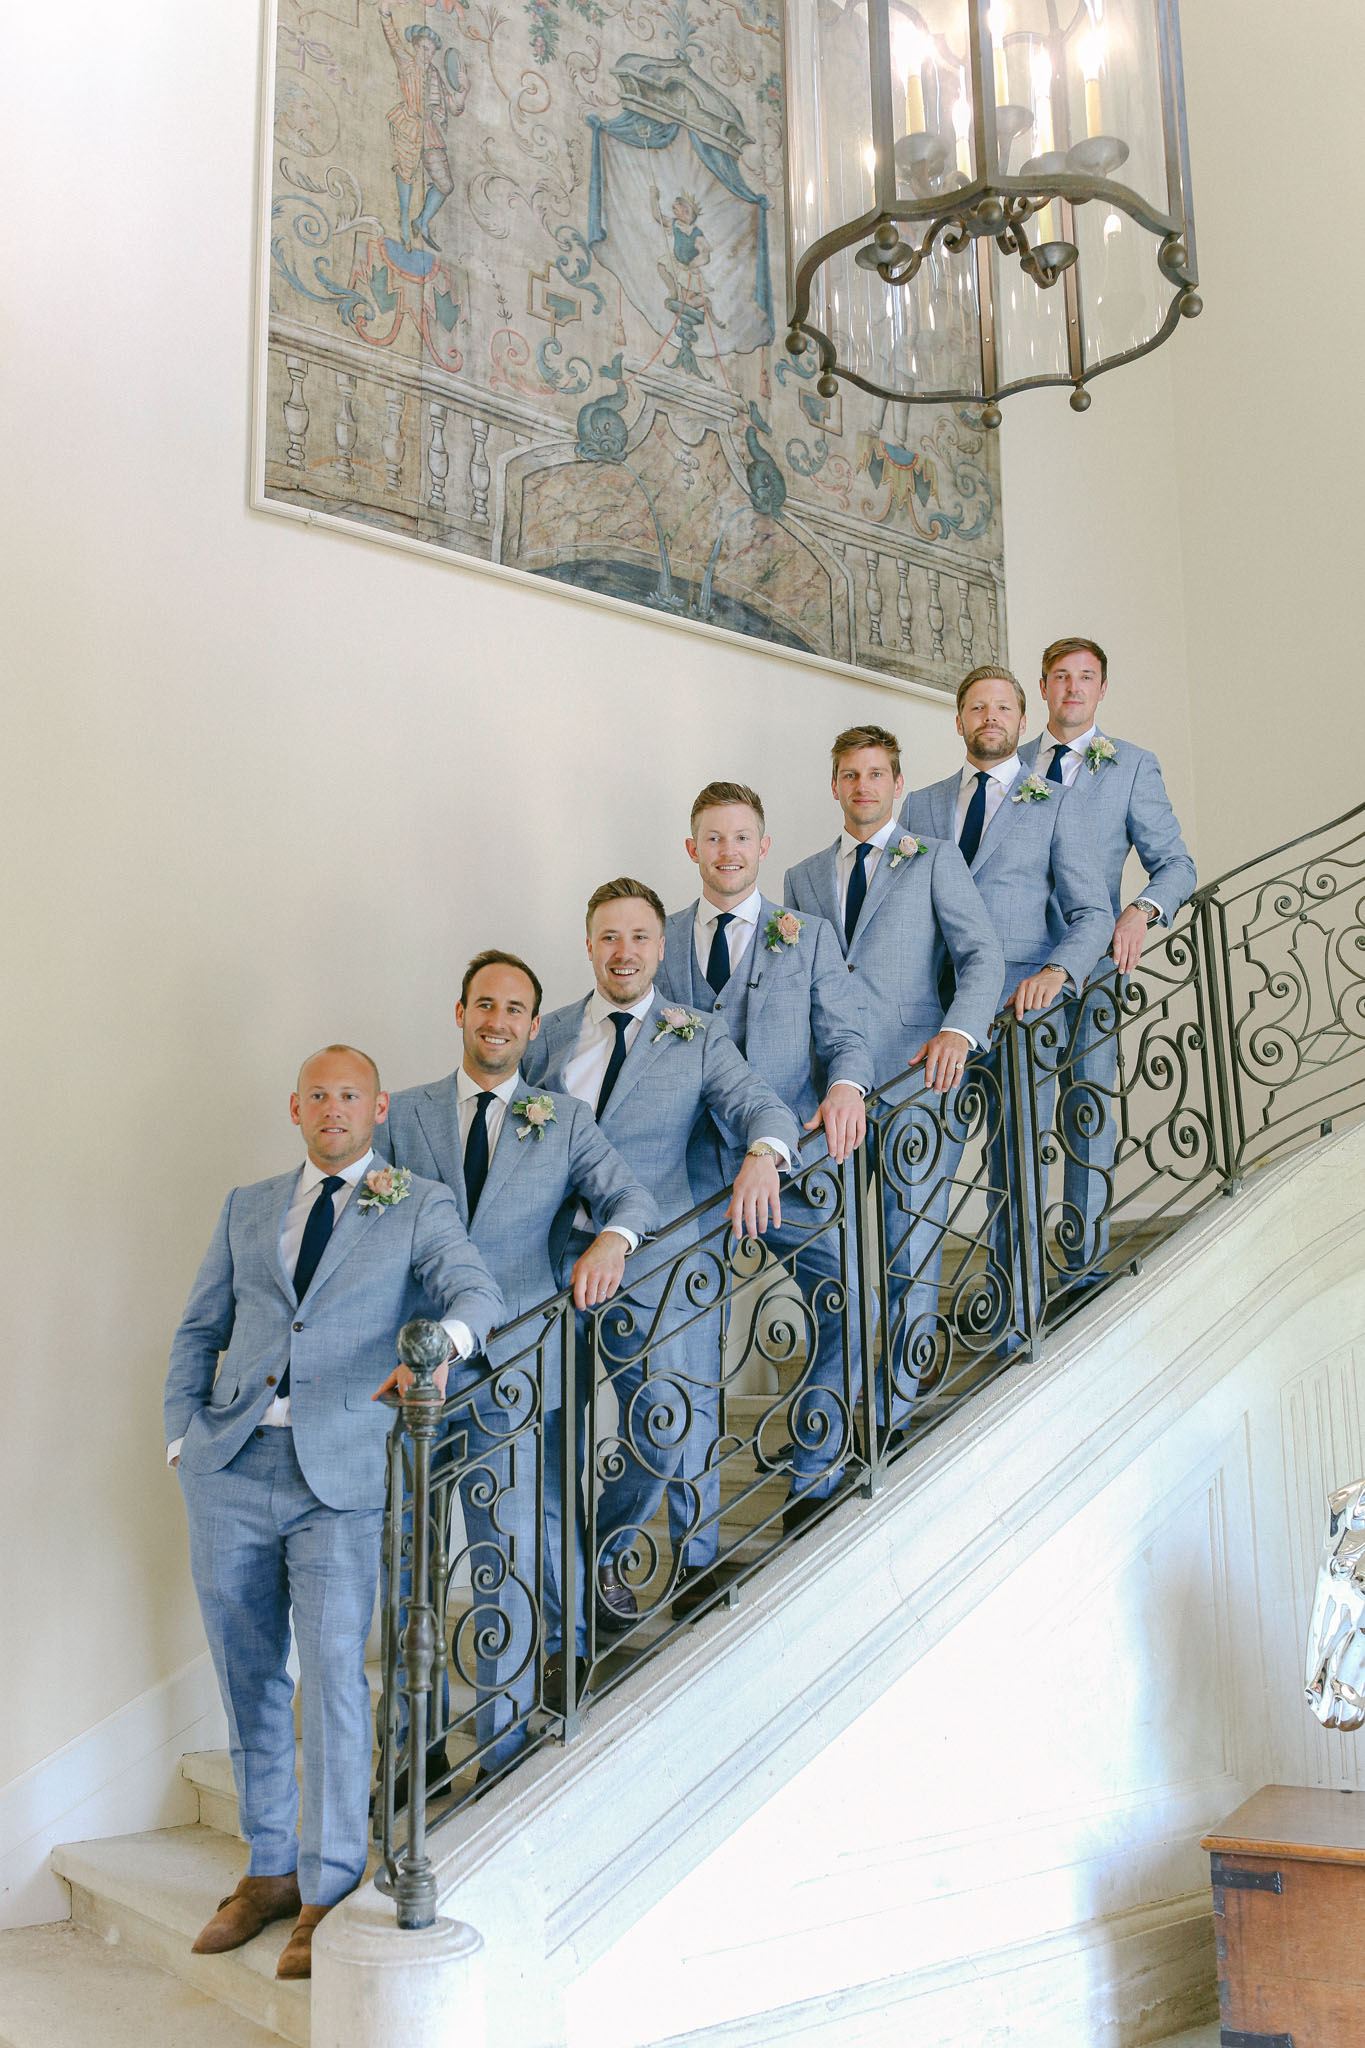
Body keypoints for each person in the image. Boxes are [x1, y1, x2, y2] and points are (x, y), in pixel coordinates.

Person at [164, 1047, 502, 1979]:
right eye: (317, 1095)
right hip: (230, 1468)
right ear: (295, 1108)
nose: (333, 1108)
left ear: (377, 1107)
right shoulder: (247, 1206)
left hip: (342, 1480)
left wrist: (440, 1348)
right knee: (247, 1677)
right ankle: (267, 1870)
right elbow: (201, 1328)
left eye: (349, 1094)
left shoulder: (418, 1202)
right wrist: (181, 1439)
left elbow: (476, 1291)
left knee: (333, 1683)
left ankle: (327, 1887)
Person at [373, 951, 658, 1758]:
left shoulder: (562, 1119)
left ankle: (501, 1748)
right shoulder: (404, 1116)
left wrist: (609, 1241)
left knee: (509, 1561)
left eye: (513, 1010)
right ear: (460, 1012)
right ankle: (415, 1751)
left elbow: (631, 1196)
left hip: (517, 1374)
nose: (496, 1021)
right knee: (407, 1567)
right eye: (484, 1004)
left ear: (534, 1028)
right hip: (415, 1375)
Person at [522, 879, 802, 1630]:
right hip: (548, 1267)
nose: (625, 952)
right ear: (589, 946)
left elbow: (761, 1106)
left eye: (640, 937)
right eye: (609, 937)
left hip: (655, 1264)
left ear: (660, 946)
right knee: (549, 1434)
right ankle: (565, 1608)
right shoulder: (546, 1036)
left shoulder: (696, 1033)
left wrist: (763, 1156)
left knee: (670, 1421)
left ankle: (614, 1549)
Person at [657, 781, 872, 1540]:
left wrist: (845, 1088)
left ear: (764, 846)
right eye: (713, 838)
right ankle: (694, 1547)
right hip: (689, 1174)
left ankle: (813, 1474)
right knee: (685, 1350)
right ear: (693, 849)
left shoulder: (806, 936)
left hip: (793, 1169)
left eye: (741, 837)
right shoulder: (658, 941)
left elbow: (846, 1037)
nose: (728, 851)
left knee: (851, 1296)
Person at [784, 725, 1003, 1455]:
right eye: (850, 774)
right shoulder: (801, 878)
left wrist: (958, 1032)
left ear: (898, 784)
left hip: (916, 1082)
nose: (863, 786)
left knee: (910, 1249)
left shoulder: (934, 858)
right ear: (834, 784)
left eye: (876, 773)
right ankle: (825, 1418)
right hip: (830, 1096)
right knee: (832, 1261)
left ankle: (892, 1413)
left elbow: (981, 955)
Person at [902, 669, 1113, 1341]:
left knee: (1014, 1164)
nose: (988, 716)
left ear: (1022, 722)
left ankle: (1016, 1318)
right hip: (933, 1022)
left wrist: (1057, 971)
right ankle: (913, 1343)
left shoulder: (1056, 803)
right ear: (958, 721)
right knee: (919, 1178)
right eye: (976, 707)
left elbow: (1093, 914)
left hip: (1021, 1017)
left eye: (1002, 707)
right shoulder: (920, 808)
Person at [1017, 637, 1197, 1276]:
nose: (1073, 688)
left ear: (1102, 689)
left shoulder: (1133, 765)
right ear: (1043, 686)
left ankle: (1083, 1264)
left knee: (1087, 1110)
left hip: (1094, 967)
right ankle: (1021, 1276)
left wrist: (1139, 911)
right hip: (1017, 971)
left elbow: (1176, 865)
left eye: (1086, 677)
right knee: (1020, 1122)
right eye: (1061, 676)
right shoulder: (1010, 765)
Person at [378, 6, 466, 252]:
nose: (428, 55)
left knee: (445, 184)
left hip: (429, 130)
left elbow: (453, 106)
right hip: (409, 124)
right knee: (406, 173)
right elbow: (393, 41)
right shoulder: (406, 63)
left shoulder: (435, 74)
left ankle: (422, 221)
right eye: (425, 49)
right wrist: (385, 13)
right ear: (416, 46)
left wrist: (464, 89)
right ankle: (404, 220)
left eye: (432, 51)